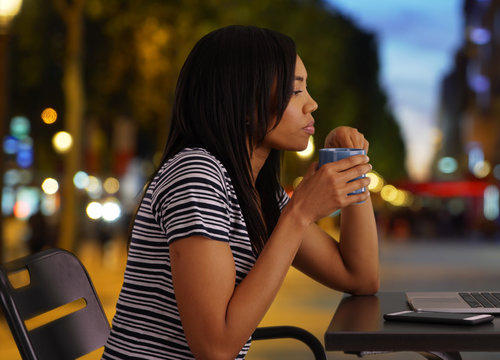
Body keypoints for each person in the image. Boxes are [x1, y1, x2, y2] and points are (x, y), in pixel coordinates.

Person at [102, 25, 379, 359]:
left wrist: (352, 165)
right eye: (295, 92)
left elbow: (359, 276)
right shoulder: (196, 175)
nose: (313, 105)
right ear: (244, 101)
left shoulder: (253, 188)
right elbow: (215, 349)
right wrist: (300, 212)